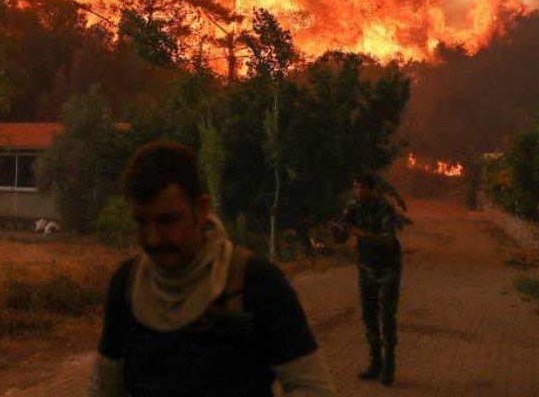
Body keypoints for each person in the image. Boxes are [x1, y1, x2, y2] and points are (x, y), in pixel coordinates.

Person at [88, 142, 335, 397]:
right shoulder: (127, 284)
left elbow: (313, 388)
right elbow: (103, 388)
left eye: (167, 221)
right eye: (141, 222)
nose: (153, 239)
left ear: (201, 209)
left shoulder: (255, 281)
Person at [342, 172, 407, 386]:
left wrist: (360, 233)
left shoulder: (384, 208)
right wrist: (338, 229)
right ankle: (375, 362)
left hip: (388, 267)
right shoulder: (353, 207)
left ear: (372, 189)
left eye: (363, 188)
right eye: (356, 187)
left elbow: (389, 239)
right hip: (366, 267)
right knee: (369, 316)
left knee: (387, 316)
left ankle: (389, 365)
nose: (360, 192)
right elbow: (343, 233)